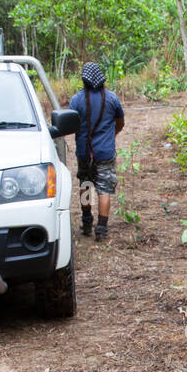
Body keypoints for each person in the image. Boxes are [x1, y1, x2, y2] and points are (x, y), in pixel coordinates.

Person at [69, 62, 125, 241]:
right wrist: (111, 136)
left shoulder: (76, 100)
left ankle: (86, 223)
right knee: (104, 189)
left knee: (86, 185)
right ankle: (101, 229)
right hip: (105, 152)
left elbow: (72, 126)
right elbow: (120, 122)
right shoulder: (112, 98)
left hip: (84, 152)